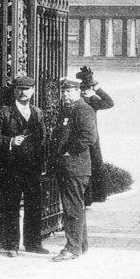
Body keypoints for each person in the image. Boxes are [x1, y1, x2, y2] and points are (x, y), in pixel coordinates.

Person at [0, 76, 49, 257]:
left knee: (34, 206)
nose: (23, 92)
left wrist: (43, 163)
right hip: (11, 167)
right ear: (14, 91)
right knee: (12, 206)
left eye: (27, 89)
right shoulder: (4, 111)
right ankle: (11, 245)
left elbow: (43, 140)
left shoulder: (38, 112)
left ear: (32, 91)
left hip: (32, 167)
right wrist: (9, 141)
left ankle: (33, 244)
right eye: (20, 89)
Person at [52, 78, 97, 262]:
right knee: (76, 206)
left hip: (75, 167)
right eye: (63, 91)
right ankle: (81, 245)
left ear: (78, 91)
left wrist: (69, 152)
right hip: (70, 167)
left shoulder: (83, 109)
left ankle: (72, 248)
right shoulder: (70, 109)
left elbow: (89, 137)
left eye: (69, 91)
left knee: (72, 208)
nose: (65, 95)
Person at [75, 66, 113, 206]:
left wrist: (97, 89)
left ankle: (94, 197)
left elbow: (109, 103)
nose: (87, 90)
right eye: (85, 87)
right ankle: (86, 198)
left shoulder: (92, 99)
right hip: (80, 136)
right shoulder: (78, 100)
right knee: (83, 165)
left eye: (89, 87)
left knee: (95, 165)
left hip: (93, 137)